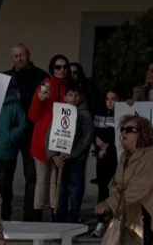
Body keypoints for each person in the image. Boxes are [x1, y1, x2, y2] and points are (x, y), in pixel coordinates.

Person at [96, 115, 153, 245]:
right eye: (122, 129)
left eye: (129, 129)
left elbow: (138, 188)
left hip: (147, 219)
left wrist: (110, 204)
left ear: (142, 133)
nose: (123, 133)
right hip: (126, 215)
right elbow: (117, 184)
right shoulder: (124, 156)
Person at [4, 43, 48, 221]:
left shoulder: (41, 76)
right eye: (15, 56)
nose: (19, 58)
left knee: (32, 176)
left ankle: (31, 218)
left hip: (32, 132)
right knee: (5, 175)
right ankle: (3, 215)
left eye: (22, 55)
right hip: (9, 133)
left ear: (28, 55)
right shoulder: (4, 77)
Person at [28, 53, 70, 220]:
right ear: (52, 69)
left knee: (56, 184)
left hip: (62, 140)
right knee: (42, 181)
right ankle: (38, 219)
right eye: (58, 67)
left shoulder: (70, 87)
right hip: (42, 141)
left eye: (64, 67)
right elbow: (32, 116)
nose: (62, 70)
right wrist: (39, 99)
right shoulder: (45, 86)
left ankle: (54, 220)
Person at [54, 83, 95, 223]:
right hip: (62, 157)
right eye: (70, 94)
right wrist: (55, 154)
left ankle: (73, 216)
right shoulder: (60, 112)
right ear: (65, 97)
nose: (73, 98)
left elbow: (86, 138)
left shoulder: (85, 114)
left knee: (75, 188)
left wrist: (73, 154)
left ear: (81, 98)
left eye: (76, 95)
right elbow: (54, 133)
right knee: (61, 188)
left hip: (76, 158)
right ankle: (60, 216)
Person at [0, 82, 30, 220]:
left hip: (6, 154)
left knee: (4, 187)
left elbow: (23, 124)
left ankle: (5, 216)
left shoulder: (15, 105)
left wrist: (9, 138)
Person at [91, 90, 120, 237]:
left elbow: (118, 135)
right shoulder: (99, 113)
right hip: (101, 157)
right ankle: (101, 222)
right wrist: (98, 146)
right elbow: (94, 131)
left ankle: (115, 223)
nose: (110, 101)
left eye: (113, 99)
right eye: (107, 98)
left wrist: (106, 145)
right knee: (103, 189)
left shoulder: (121, 113)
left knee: (117, 189)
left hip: (116, 156)